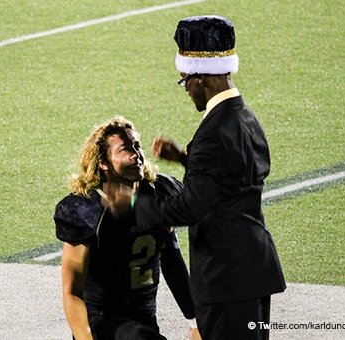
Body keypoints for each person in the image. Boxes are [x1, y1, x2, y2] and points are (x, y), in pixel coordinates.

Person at [104, 16, 287, 339]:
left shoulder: (213, 132)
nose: (187, 90)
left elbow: (191, 208)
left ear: (200, 77)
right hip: (255, 268)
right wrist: (186, 160)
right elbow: (232, 176)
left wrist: (133, 203)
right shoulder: (246, 117)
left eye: (184, 81)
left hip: (225, 276)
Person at [54, 117, 201, 340]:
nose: (136, 154)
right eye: (125, 149)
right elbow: (72, 291)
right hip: (102, 325)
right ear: (103, 162)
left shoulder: (160, 192)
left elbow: (172, 260)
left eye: (137, 146)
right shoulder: (85, 209)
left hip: (144, 322)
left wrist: (196, 320)